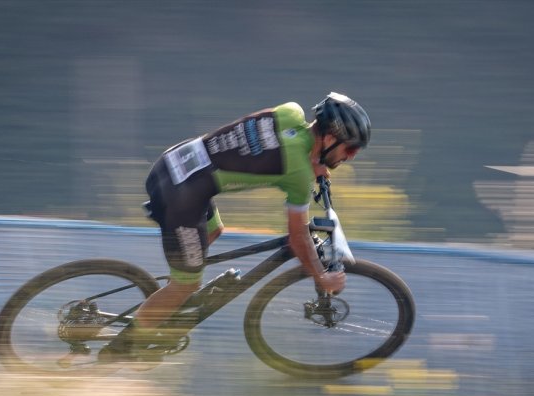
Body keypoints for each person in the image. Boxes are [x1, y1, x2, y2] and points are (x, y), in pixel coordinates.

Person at [99, 92, 371, 361]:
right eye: (350, 149)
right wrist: (321, 277)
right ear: (331, 138)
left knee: (214, 230)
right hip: (180, 195)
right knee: (187, 285)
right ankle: (122, 348)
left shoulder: (291, 112)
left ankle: (171, 293)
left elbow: (275, 147)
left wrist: (313, 162)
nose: (351, 157)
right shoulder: (298, 174)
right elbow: (298, 240)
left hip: (175, 163)